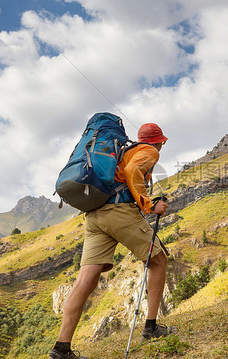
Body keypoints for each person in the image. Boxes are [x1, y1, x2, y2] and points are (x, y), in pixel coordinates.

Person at [49, 123, 174, 359]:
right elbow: (133, 172)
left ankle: (61, 348)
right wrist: (149, 205)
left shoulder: (121, 152)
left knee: (85, 281)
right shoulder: (149, 151)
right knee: (158, 261)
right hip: (119, 213)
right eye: (162, 142)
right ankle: (151, 328)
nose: (162, 146)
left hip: (95, 216)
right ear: (159, 141)